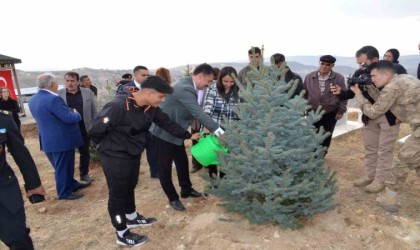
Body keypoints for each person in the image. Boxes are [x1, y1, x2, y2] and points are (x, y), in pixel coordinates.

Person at [89, 76, 199, 247]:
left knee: (130, 185)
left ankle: (132, 217)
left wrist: (187, 135)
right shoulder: (118, 106)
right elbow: (96, 130)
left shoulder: (150, 107)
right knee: (117, 194)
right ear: (149, 93)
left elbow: (166, 123)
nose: (162, 100)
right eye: (161, 97)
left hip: (132, 153)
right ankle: (122, 232)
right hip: (115, 156)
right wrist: (107, 149)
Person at [150, 63, 224, 211]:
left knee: (182, 161)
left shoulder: (187, 83)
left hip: (176, 131)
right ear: (200, 76)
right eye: (208, 81)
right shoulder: (185, 89)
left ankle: (186, 189)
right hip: (163, 133)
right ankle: (173, 198)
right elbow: (198, 113)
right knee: (164, 168)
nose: (209, 84)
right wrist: (220, 132)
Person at [349, 60, 420, 212]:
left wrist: (358, 94)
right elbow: (385, 100)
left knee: (403, 161)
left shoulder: (392, 87)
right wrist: (367, 86)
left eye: (373, 76)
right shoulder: (403, 79)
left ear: (385, 74)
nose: (372, 79)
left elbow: (373, 111)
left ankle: (389, 201)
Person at [331, 46, 401, 194]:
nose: (360, 67)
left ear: (375, 60)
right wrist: (341, 93)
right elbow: (352, 92)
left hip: (389, 117)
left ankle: (380, 180)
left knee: (384, 150)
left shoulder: (390, 72)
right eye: (358, 63)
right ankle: (370, 175)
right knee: (371, 148)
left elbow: (401, 95)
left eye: (363, 63)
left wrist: (400, 115)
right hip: (369, 115)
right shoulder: (360, 73)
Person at [29, 73, 90, 200]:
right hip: (61, 140)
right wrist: (76, 114)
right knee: (63, 167)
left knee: (61, 166)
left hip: (47, 140)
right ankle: (64, 192)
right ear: (52, 84)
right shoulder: (53, 99)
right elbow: (68, 118)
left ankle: (72, 184)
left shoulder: (34, 99)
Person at [0, 110, 46, 249]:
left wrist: (34, 185)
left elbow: (21, 154)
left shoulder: (3, 119)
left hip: (3, 187)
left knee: (17, 236)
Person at [58, 72, 97, 183]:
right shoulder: (58, 94)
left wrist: (95, 126)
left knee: (85, 152)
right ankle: (68, 178)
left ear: (78, 82)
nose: (70, 83)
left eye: (72, 81)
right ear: (64, 82)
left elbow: (93, 110)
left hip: (84, 127)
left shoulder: (87, 92)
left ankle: (84, 174)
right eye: (67, 81)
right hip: (66, 130)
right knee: (68, 154)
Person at [303, 55, 347, 152]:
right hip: (312, 111)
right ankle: (310, 155)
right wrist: (303, 108)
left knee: (326, 135)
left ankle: (321, 156)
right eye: (322, 63)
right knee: (311, 134)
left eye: (328, 65)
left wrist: (341, 110)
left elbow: (343, 96)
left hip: (330, 112)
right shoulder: (310, 77)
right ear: (319, 63)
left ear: (332, 66)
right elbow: (304, 94)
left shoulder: (338, 78)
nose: (324, 66)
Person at [203, 66, 241, 179]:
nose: (229, 84)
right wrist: (206, 125)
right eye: (225, 81)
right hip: (215, 127)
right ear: (220, 79)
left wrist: (239, 129)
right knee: (213, 156)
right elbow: (207, 107)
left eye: (232, 82)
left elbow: (241, 111)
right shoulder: (213, 88)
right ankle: (214, 183)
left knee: (227, 158)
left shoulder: (239, 90)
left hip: (231, 129)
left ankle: (224, 182)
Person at [190, 67, 219, 173]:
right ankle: (196, 163)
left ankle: (207, 162)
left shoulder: (212, 87)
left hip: (206, 119)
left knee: (209, 142)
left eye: (211, 80)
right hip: (195, 119)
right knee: (196, 139)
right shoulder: (190, 87)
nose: (209, 83)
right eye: (209, 80)